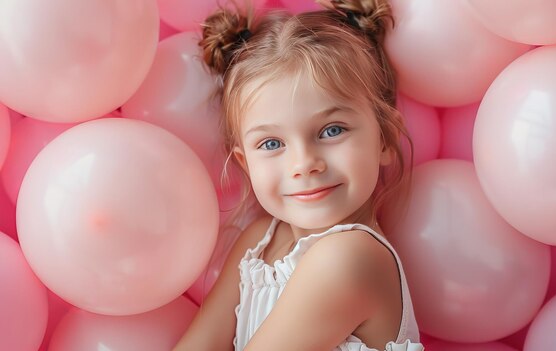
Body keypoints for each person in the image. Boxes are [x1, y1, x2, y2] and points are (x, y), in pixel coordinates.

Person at [174, 0, 423, 350]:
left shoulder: (350, 258)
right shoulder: (260, 240)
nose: (304, 164)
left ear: (385, 138)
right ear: (245, 164)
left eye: (332, 131)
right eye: (272, 142)